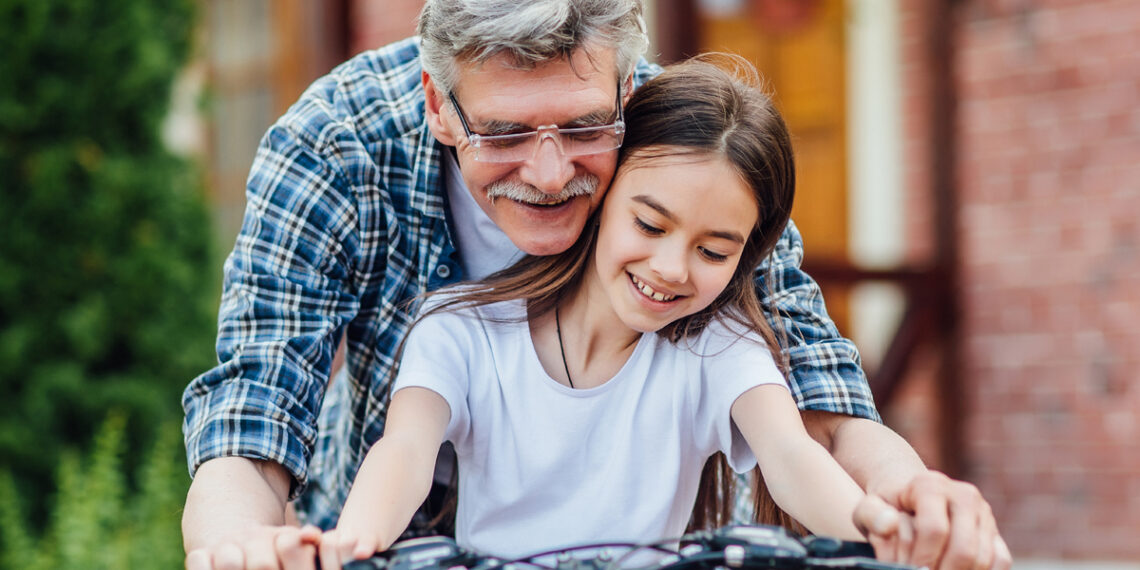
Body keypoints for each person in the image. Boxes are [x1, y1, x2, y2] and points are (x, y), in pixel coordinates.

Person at [181, 2, 1010, 570]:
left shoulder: (681, 150)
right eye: (504, 134)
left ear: (628, 88)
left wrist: (907, 502)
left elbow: (816, 412)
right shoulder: (337, 146)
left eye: (583, 127)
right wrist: (240, 546)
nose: (548, 174)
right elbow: (254, 416)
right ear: (439, 103)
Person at [319, 55, 883, 567]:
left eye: (713, 251)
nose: (671, 268)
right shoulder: (461, 331)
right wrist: (347, 546)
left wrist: (882, 530)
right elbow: (404, 452)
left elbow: (792, 459)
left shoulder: (720, 349)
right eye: (649, 225)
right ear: (604, 189)